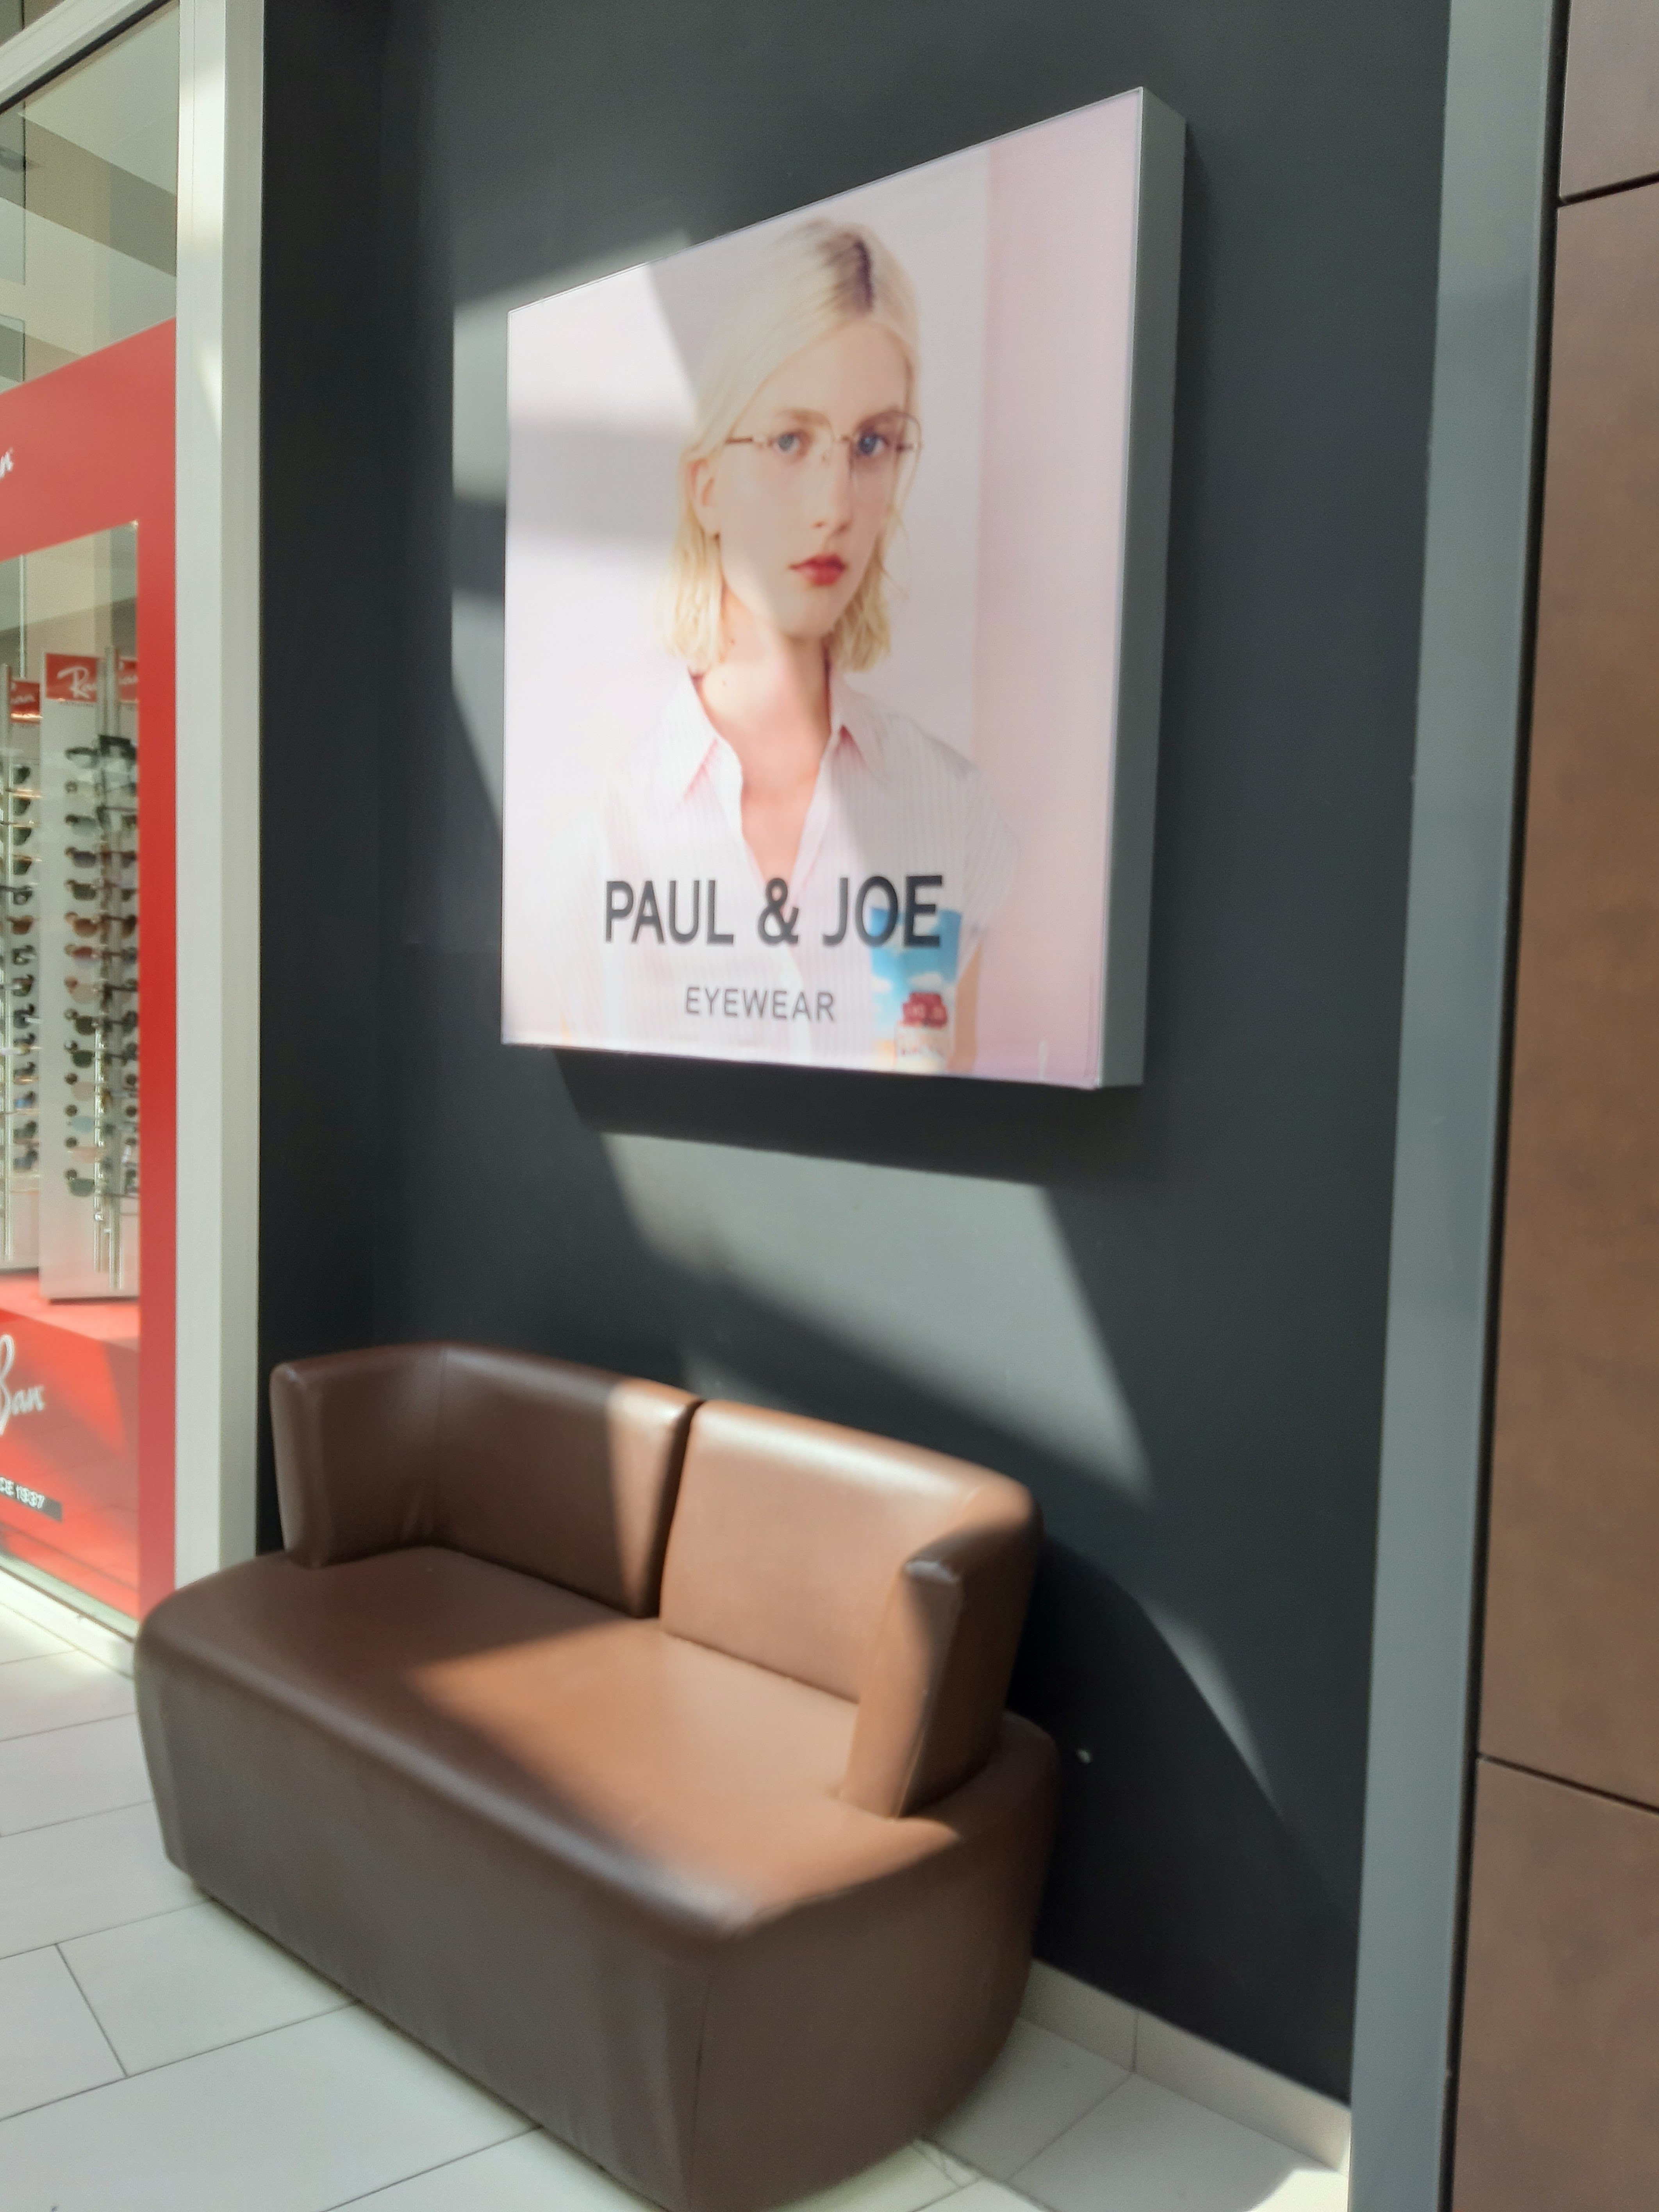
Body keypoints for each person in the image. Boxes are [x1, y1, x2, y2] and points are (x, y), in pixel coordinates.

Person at [549, 218, 1014, 1074]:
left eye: (871, 445)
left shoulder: (955, 812)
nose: (834, 506)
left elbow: (960, 1120)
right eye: (791, 441)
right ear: (707, 486)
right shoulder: (599, 832)